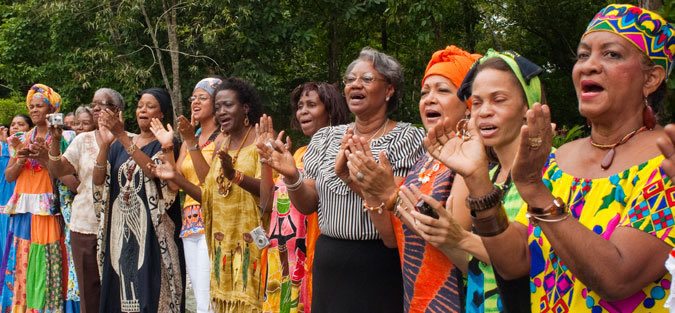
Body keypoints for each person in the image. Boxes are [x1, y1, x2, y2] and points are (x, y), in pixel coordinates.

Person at [426, 4, 674, 312]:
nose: (589, 66)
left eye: (611, 54)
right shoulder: (559, 161)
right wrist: (477, 181)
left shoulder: (667, 161)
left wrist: (535, 190)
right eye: (583, 55)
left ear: (651, 79)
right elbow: (514, 263)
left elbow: (617, 278)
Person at [259, 47, 425, 313]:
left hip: (379, 262)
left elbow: (399, 213)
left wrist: (353, 180)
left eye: (367, 79)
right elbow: (308, 204)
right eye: (350, 79)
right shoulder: (325, 138)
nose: (355, 85)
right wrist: (292, 176)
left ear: (389, 89)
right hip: (329, 261)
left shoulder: (407, 138)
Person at [340, 45, 480, 313]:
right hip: (415, 298)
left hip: (452, 300)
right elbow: (393, 239)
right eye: (425, 92)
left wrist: (392, 195)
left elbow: (458, 248)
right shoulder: (426, 158)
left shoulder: (469, 160)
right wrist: (368, 187)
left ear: (468, 104)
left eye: (443, 90)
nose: (429, 99)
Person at [150, 77, 265, 312]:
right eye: (219, 106)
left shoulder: (257, 139)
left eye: (227, 105)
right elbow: (209, 194)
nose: (222, 111)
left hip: (249, 240)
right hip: (217, 236)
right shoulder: (221, 144)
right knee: (212, 302)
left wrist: (236, 176)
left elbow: (268, 196)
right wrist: (175, 176)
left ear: (245, 107)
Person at [256, 82, 350, 313]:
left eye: (311, 105)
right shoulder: (298, 154)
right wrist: (266, 161)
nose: (302, 111)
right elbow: (267, 203)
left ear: (329, 110)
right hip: (282, 262)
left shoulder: (341, 150)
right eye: (299, 106)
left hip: (313, 258)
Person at [93, 88, 184, 313]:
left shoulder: (166, 143)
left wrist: (122, 137)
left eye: (150, 106)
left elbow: (154, 171)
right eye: (140, 105)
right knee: (121, 281)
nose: (143, 110)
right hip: (120, 226)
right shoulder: (117, 145)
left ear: (161, 114)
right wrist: (106, 145)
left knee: (150, 291)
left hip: (152, 230)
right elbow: (98, 180)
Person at [46, 88, 125, 313]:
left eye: (103, 104)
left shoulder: (129, 140)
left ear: (117, 110)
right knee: (89, 295)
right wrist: (55, 141)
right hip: (85, 226)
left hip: (119, 228)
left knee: (120, 293)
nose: (97, 108)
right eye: (94, 104)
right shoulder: (83, 140)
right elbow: (58, 168)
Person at [1, 84, 78, 311]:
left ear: (52, 109)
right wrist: (22, 159)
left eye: (40, 106)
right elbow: (8, 176)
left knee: (48, 258)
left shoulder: (65, 137)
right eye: (31, 106)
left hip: (48, 209)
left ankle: (48, 307)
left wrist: (46, 157)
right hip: (25, 210)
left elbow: (67, 174)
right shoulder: (20, 138)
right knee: (24, 258)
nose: (34, 110)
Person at [176, 77, 222, 313]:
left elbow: (208, 182)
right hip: (189, 221)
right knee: (198, 291)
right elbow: (175, 183)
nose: (195, 102)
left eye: (202, 97)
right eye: (193, 97)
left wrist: (192, 142)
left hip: (212, 219)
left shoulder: (223, 138)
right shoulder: (189, 137)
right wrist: (167, 147)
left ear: (217, 103)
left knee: (208, 295)